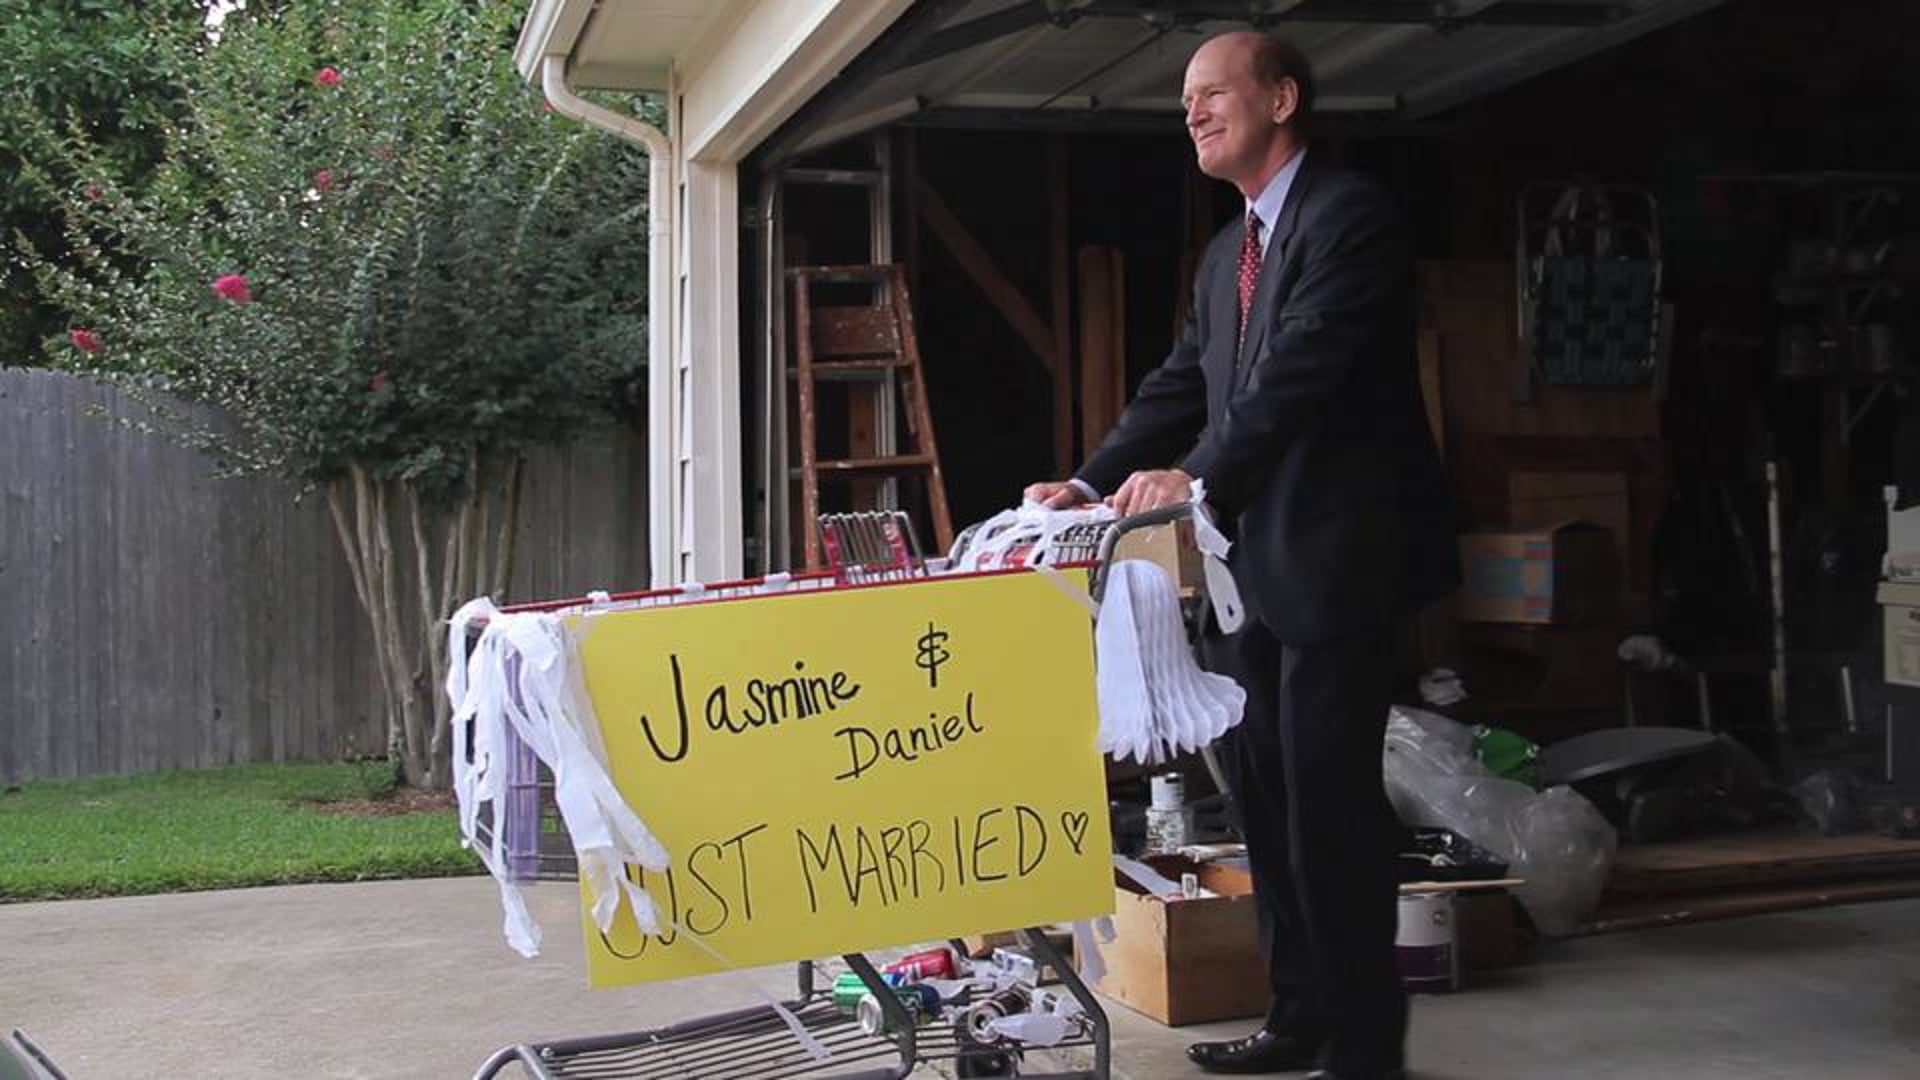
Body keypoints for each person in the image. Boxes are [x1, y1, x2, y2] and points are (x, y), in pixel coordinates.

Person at [1024, 31, 1458, 1080]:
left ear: (1283, 97)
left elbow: (1298, 373)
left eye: (1214, 93)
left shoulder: (1347, 218)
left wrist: (1196, 476)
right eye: (1186, 102)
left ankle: (1364, 1051)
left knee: (1330, 813)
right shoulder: (1229, 254)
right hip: (1245, 575)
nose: (1195, 113)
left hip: (1337, 565)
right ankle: (1299, 1017)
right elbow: (1184, 381)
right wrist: (1090, 480)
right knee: (1263, 809)